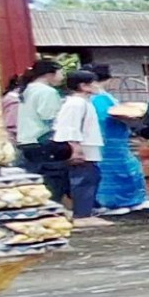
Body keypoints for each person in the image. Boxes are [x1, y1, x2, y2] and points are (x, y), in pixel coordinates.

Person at [88, 65, 149, 213]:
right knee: (112, 171)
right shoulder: (99, 97)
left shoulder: (101, 96)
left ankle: (133, 200)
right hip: (107, 139)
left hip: (116, 138)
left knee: (127, 168)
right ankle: (112, 203)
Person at [50, 67, 109, 228]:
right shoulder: (76, 104)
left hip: (87, 146)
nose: (97, 86)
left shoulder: (83, 102)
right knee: (84, 180)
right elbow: (70, 127)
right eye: (94, 83)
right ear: (84, 86)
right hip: (81, 147)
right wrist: (75, 148)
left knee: (90, 178)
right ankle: (82, 215)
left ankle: (85, 212)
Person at [10, 59, 64, 185]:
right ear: (49, 74)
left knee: (31, 181)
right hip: (41, 142)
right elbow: (50, 116)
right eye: (60, 73)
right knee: (51, 183)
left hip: (25, 141)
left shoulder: (28, 89)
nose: (62, 78)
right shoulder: (47, 91)